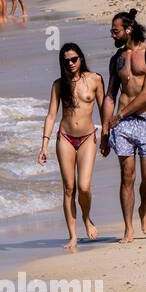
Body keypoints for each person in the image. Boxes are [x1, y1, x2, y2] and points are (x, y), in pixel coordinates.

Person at [101, 10, 146, 244]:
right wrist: (105, 131)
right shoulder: (116, 59)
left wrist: (120, 115)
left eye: (115, 31)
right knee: (127, 177)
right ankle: (128, 228)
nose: (112, 35)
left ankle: (143, 208)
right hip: (123, 125)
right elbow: (109, 95)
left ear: (128, 29)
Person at [38, 44, 106, 251]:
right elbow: (51, 115)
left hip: (87, 138)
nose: (71, 63)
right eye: (66, 60)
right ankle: (73, 235)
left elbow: (104, 109)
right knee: (69, 188)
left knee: (84, 187)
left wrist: (106, 136)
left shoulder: (95, 79)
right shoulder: (59, 84)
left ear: (81, 58)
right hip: (65, 138)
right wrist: (44, 144)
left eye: (74, 59)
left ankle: (86, 218)